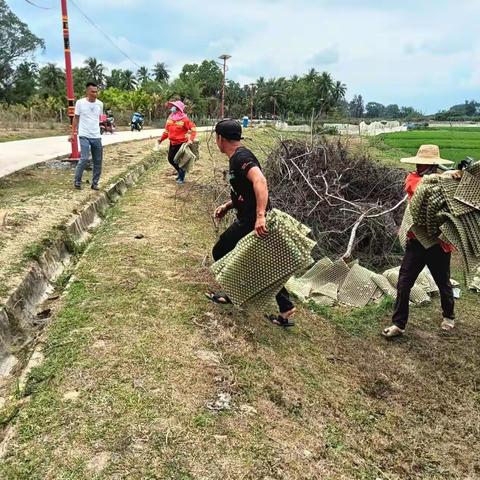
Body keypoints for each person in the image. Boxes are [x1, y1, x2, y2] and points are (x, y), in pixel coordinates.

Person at [206, 119, 296, 327]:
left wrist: (260, 216)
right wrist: (228, 206)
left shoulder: (241, 157)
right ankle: (285, 308)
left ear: (220, 138)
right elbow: (245, 190)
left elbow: (260, 181)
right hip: (250, 217)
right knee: (262, 261)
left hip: (252, 221)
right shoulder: (237, 157)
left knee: (221, 251)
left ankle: (232, 293)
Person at [383, 144, 461, 338]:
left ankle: (449, 316)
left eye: (423, 163)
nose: (419, 166)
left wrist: (458, 177)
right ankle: (398, 324)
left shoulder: (447, 183)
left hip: (438, 243)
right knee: (404, 282)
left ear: (432, 165)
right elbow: (421, 188)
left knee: (443, 282)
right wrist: (445, 176)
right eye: (419, 162)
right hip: (416, 242)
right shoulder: (413, 179)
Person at [70, 82, 104, 190]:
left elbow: (100, 118)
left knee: (98, 160)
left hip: (96, 136)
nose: (95, 94)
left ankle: (95, 183)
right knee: (84, 158)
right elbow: (76, 118)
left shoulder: (100, 104)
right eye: (92, 92)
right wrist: (73, 133)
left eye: (96, 91)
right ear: (87, 92)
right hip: (84, 134)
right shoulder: (80, 103)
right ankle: (77, 181)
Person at [157, 101, 197, 184]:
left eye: (174, 106)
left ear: (178, 109)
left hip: (181, 144)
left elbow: (193, 129)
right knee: (171, 159)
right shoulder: (170, 118)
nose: (172, 108)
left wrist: (191, 139)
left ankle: (181, 177)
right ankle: (180, 172)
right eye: (172, 106)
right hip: (172, 143)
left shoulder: (185, 119)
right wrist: (161, 139)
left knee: (181, 161)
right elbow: (166, 132)